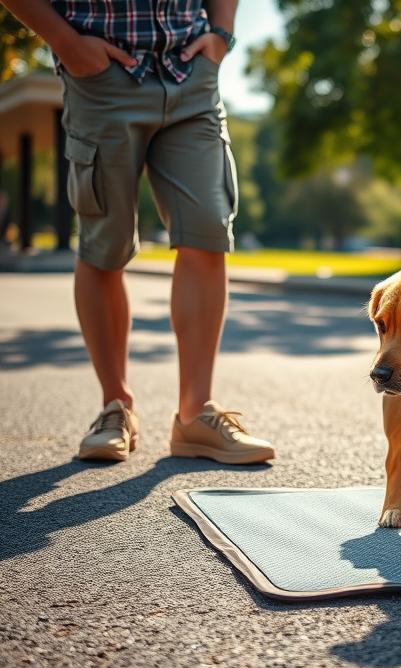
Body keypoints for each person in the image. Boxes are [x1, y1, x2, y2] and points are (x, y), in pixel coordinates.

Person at [1, 0, 275, 464]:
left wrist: (222, 34)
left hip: (192, 71)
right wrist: (66, 42)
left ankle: (194, 415)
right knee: (103, 244)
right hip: (101, 74)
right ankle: (116, 407)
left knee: (207, 230)